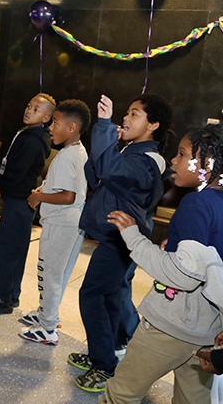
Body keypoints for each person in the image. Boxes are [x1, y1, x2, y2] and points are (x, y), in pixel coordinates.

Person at [101, 123, 223, 403]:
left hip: (171, 326)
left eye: (182, 154)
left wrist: (134, 238)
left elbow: (185, 274)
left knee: (121, 394)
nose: (174, 161)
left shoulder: (196, 204)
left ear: (208, 162)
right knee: (192, 399)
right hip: (208, 330)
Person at [69, 94, 171, 393]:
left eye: (135, 114)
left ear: (153, 125)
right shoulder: (130, 152)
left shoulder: (149, 161)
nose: (125, 119)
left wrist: (103, 127)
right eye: (127, 113)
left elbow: (111, 172)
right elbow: (97, 173)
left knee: (93, 295)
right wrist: (108, 142)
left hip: (122, 238)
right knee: (110, 297)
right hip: (114, 236)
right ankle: (108, 350)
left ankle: (104, 366)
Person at [19, 99, 91, 345]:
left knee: (49, 274)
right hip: (71, 224)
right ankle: (47, 314)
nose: (50, 126)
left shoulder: (67, 156)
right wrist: (45, 188)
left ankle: (47, 328)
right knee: (57, 275)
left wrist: (39, 196)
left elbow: (68, 196)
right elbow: (69, 189)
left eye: (56, 123)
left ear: (71, 127)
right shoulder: (77, 151)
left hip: (61, 224)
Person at [0, 94, 54, 314]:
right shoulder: (30, 133)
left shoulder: (34, 140)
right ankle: (11, 295)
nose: (29, 110)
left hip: (19, 200)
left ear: (47, 118)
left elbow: (17, 171)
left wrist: (0, 182)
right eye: (29, 105)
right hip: (20, 199)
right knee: (16, 249)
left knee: (6, 249)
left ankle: (1, 299)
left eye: (37, 109)